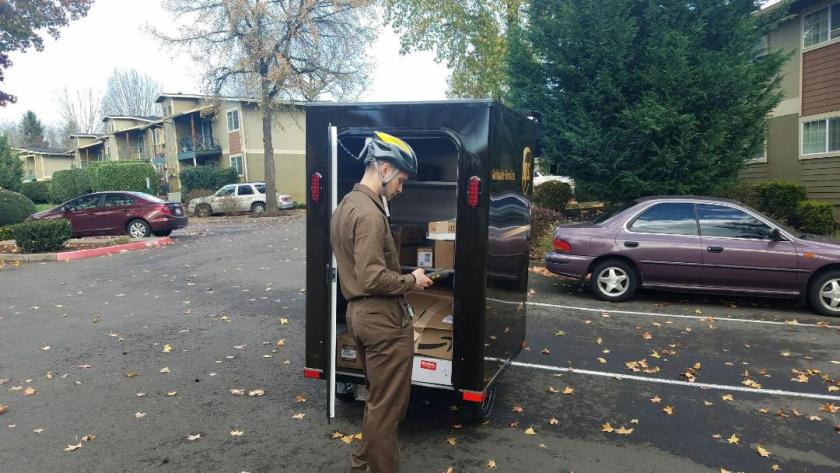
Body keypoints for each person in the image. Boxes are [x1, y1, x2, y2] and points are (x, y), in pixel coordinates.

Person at [330, 131, 433, 473]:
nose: (400, 189)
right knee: (388, 411)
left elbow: (363, 269)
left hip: (360, 316)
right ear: (384, 168)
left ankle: (361, 468)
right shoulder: (371, 215)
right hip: (382, 322)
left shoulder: (345, 205)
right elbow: (372, 277)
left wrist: (403, 274)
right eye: (401, 180)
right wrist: (411, 281)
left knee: (378, 404)